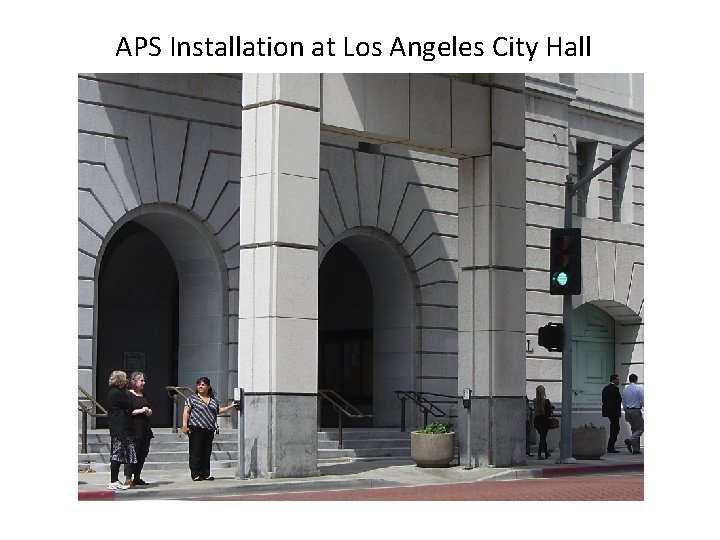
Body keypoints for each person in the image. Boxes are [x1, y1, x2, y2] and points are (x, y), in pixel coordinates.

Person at [182, 377, 237, 481]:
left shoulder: (213, 400)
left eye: (203, 384)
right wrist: (185, 426)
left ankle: (205, 473)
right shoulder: (192, 399)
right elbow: (186, 412)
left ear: (208, 386)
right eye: (199, 385)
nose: (200, 386)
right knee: (196, 452)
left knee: (206, 452)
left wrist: (231, 406)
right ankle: (196, 474)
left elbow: (218, 411)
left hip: (209, 429)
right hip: (196, 428)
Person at [106, 370, 150, 491]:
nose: (126, 382)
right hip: (120, 429)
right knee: (117, 455)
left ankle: (116, 480)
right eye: (124, 379)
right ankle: (114, 480)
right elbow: (129, 407)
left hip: (121, 428)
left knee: (121, 455)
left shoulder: (115, 393)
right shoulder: (117, 394)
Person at [123, 371, 154, 486]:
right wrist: (141, 410)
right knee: (132, 453)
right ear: (134, 381)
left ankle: (137, 476)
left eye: (143, 380)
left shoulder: (143, 394)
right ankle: (128, 477)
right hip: (134, 428)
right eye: (141, 380)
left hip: (144, 428)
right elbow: (128, 411)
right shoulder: (128, 394)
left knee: (142, 453)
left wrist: (149, 411)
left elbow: (149, 407)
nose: (143, 383)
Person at [622, 373, 644, 454]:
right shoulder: (638, 389)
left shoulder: (625, 390)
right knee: (641, 428)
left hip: (628, 410)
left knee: (634, 429)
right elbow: (642, 399)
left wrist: (625, 411)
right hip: (636, 410)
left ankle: (636, 449)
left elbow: (623, 401)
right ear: (636, 380)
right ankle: (630, 440)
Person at [601, 374, 623, 453]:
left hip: (609, 412)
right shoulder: (614, 389)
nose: (618, 381)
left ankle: (611, 446)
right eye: (617, 379)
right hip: (614, 412)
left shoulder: (605, 388)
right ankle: (611, 446)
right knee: (615, 429)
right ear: (613, 380)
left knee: (614, 428)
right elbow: (618, 400)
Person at [532, 385, 553, 460]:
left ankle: (546, 453)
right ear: (543, 392)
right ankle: (539, 454)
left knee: (542, 437)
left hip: (537, 421)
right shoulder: (546, 401)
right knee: (543, 438)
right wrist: (551, 409)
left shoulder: (534, 401)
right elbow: (549, 412)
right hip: (544, 421)